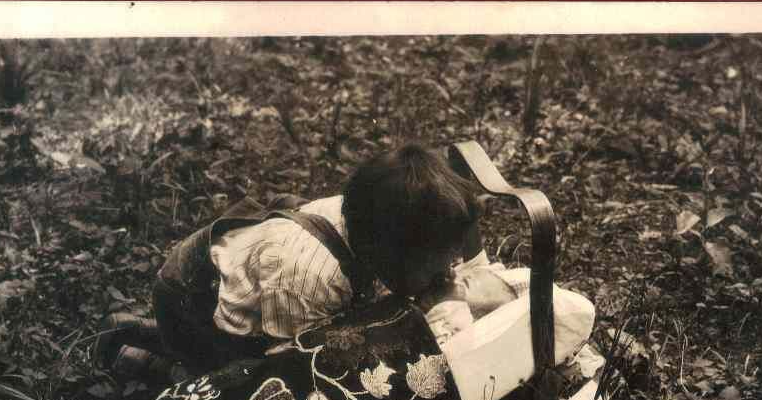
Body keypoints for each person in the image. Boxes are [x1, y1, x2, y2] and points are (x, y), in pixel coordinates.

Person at [93, 144, 487, 382]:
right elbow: (300, 360)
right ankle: (159, 365)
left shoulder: (370, 224)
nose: (449, 270)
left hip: (242, 287)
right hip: (190, 302)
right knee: (248, 381)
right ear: (389, 251)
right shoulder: (310, 276)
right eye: (435, 265)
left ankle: (148, 334)